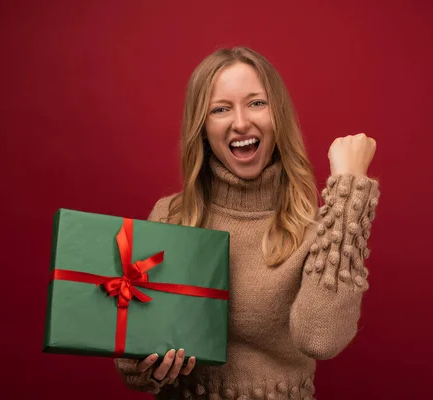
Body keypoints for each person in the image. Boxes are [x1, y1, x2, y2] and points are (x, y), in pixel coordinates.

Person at [114, 46, 380, 400]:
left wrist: (349, 192)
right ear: (203, 127)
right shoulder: (171, 215)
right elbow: (131, 360)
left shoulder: (319, 229)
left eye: (256, 103)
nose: (241, 122)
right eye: (220, 109)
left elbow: (320, 338)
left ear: (278, 115)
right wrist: (144, 367)